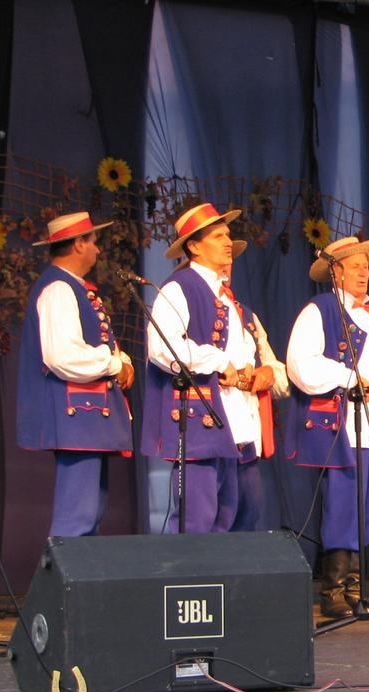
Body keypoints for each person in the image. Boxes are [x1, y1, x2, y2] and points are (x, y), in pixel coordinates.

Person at [285, 236, 369, 619]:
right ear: (335, 271)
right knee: (343, 503)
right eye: (355, 266)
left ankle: (356, 587)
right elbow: (300, 364)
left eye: (366, 267)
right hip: (344, 422)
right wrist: (349, 378)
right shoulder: (318, 310)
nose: (363, 273)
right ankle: (333, 589)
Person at [141, 203, 264, 533]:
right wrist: (218, 361)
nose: (228, 242)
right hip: (198, 417)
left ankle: (216, 569)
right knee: (197, 516)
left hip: (227, 415)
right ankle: (185, 568)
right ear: (194, 246)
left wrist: (245, 368)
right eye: (218, 236)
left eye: (228, 235)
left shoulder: (223, 295)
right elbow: (163, 347)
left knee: (226, 514)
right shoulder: (180, 287)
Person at [17, 212, 134, 537]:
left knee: (91, 512)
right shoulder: (58, 288)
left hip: (87, 415)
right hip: (77, 413)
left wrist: (121, 360)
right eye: (93, 241)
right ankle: (63, 570)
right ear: (79, 243)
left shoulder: (76, 288)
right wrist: (113, 364)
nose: (98, 249)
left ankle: (79, 570)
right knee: (77, 517)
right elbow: (63, 356)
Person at [221, 243, 289, 533]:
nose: (226, 266)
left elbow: (280, 378)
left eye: (230, 261)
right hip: (217, 428)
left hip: (247, 433)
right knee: (219, 514)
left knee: (250, 510)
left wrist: (268, 373)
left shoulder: (246, 316)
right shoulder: (197, 311)